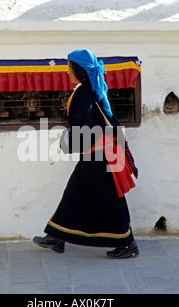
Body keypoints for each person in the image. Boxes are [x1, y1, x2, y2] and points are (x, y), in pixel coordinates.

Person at [33, 49, 139, 259]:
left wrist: (67, 142)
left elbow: (88, 129)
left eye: (70, 67)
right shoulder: (90, 90)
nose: (67, 71)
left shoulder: (83, 94)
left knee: (109, 196)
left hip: (101, 156)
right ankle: (57, 237)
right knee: (76, 191)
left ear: (79, 70)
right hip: (100, 154)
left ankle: (128, 244)